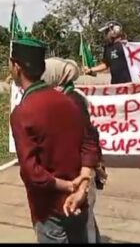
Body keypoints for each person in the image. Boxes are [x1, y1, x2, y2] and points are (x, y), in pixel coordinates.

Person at [8, 37, 100, 244]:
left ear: (16, 66)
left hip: (48, 208)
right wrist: (83, 182)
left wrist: (67, 186)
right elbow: (91, 140)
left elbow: (32, 173)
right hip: (79, 201)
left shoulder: (23, 113)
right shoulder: (72, 100)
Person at [43, 58, 108, 243]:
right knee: (84, 222)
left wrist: (91, 169)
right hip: (77, 170)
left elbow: (88, 137)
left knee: (82, 224)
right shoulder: (66, 97)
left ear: (55, 76)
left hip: (80, 173)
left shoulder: (72, 101)